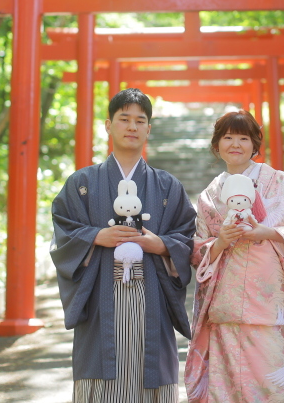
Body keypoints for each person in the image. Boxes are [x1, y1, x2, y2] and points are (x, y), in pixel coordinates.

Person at [50, 88, 197, 403]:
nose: (132, 127)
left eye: (140, 121)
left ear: (148, 129)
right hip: (100, 299)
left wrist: (161, 245)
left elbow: (188, 235)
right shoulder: (81, 183)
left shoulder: (167, 186)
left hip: (152, 298)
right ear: (108, 125)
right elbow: (64, 230)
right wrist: (95, 237)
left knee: (151, 377)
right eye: (124, 119)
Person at [185, 110, 284, 403]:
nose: (235, 144)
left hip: (275, 306)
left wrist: (269, 233)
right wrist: (221, 242)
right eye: (228, 137)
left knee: (276, 386)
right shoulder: (209, 195)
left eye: (243, 138)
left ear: (255, 144)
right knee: (229, 389)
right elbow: (198, 250)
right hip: (228, 306)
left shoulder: (280, 182)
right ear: (217, 144)